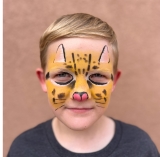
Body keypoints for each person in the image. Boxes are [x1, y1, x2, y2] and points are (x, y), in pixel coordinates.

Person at [8, 13, 159, 156]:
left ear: (114, 81)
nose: (80, 94)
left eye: (98, 75)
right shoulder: (23, 149)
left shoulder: (141, 148)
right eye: (62, 75)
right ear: (43, 80)